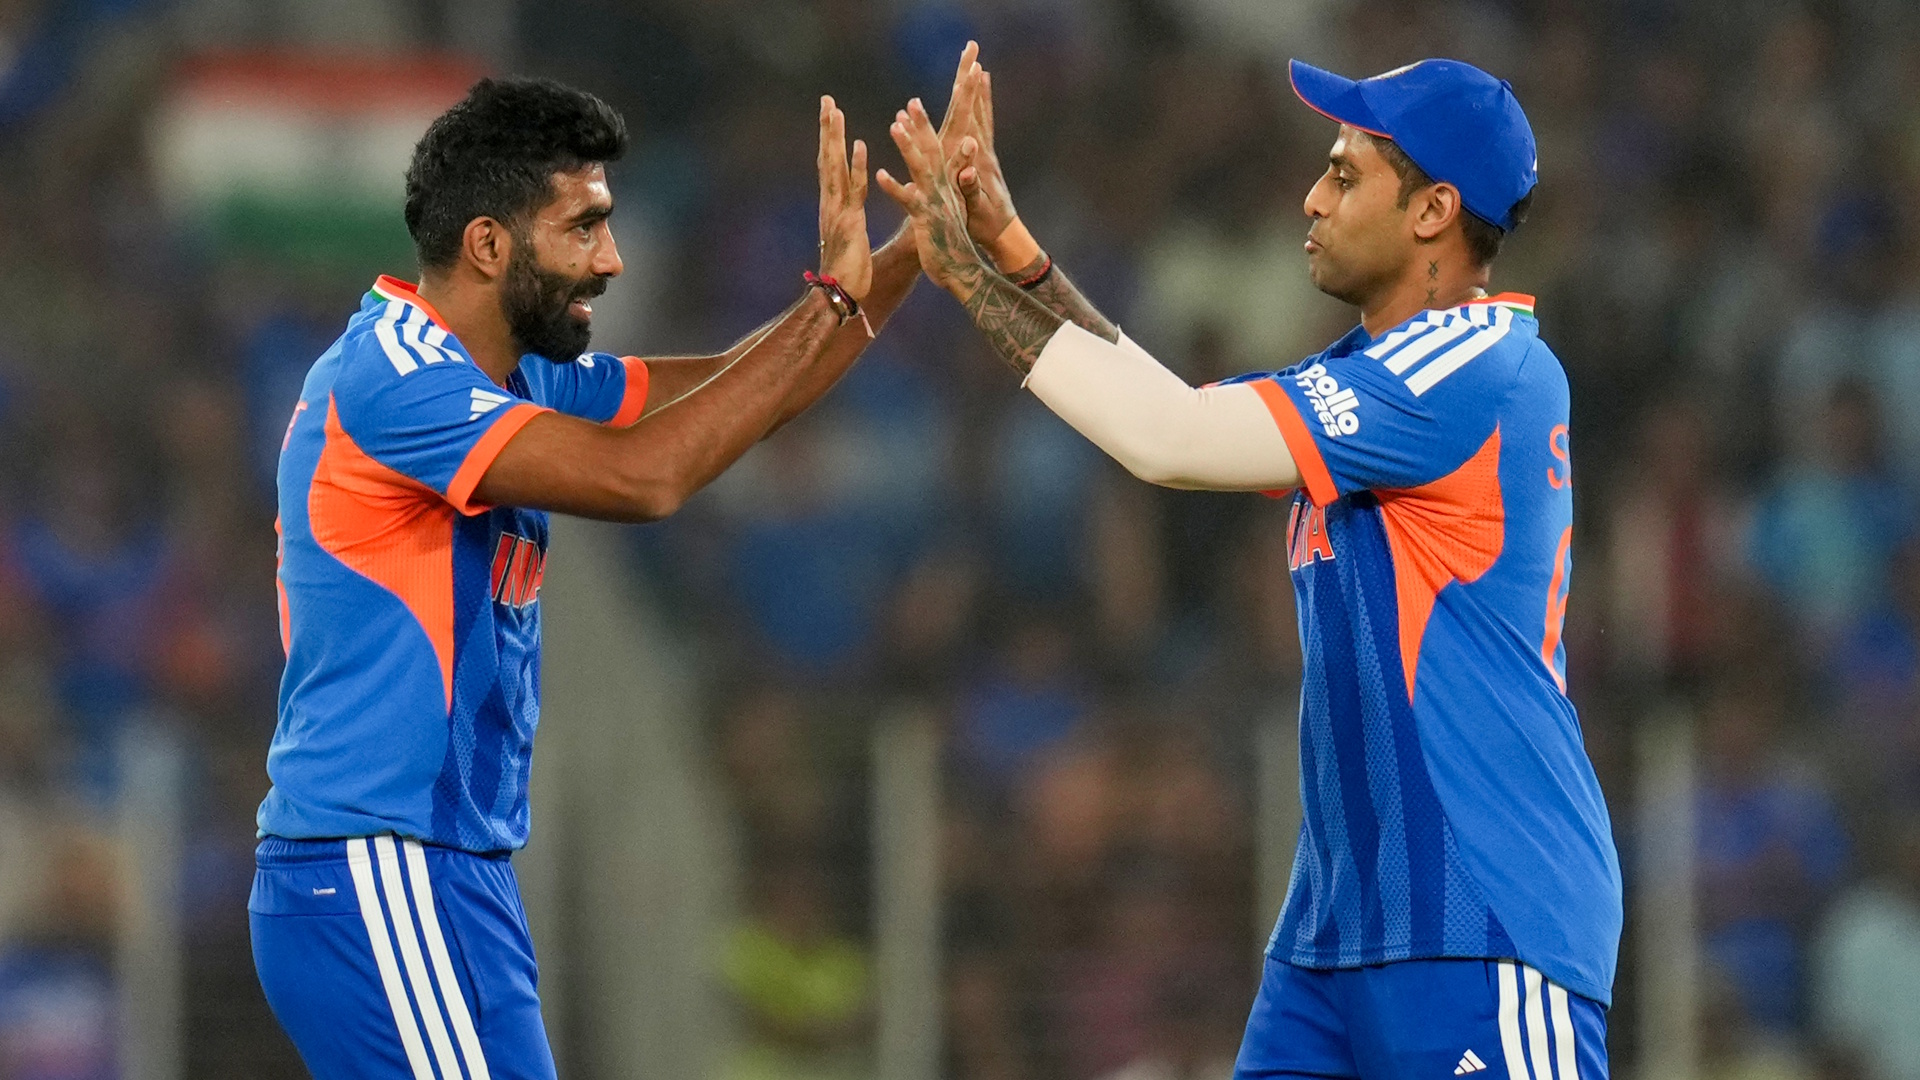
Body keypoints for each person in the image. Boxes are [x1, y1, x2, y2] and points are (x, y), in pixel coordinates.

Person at [880, 52, 1621, 1078]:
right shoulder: (1366, 376)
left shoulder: (1476, 370)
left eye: (1346, 175)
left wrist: (961, 272)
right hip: (1336, 932)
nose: (1312, 198)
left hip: (1481, 917)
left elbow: (1170, 438)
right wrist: (1014, 250)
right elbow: (1172, 411)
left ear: (1433, 211)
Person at [248, 57, 978, 1079]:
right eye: (582, 226)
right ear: (489, 243)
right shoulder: (391, 377)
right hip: (377, 866)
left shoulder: (513, 374)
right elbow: (648, 479)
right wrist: (828, 304)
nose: (613, 259)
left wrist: (907, 258)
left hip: (459, 873)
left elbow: (738, 392)